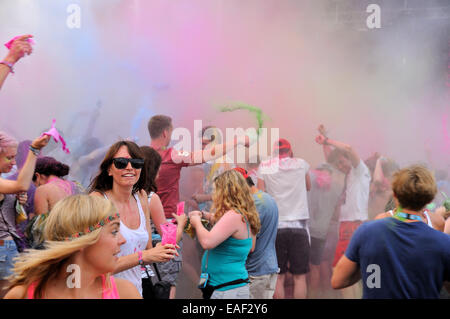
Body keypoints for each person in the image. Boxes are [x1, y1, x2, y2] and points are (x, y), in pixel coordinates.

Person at [147, 115, 250, 298]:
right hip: (168, 225)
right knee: (168, 280)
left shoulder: (139, 155)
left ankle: (200, 290)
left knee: (146, 277)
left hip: (142, 223)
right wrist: (238, 140)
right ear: (165, 132)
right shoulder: (172, 156)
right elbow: (202, 156)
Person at [331, 165, 450, 298]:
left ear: (394, 195)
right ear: (429, 200)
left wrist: (368, 261)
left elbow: (338, 280)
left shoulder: (367, 232)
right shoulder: (444, 241)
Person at [4, 195, 141, 299]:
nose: (122, 240)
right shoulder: (23, 295)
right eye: (114, 231)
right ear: (81, 240)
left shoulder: (125, 292)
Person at [89, 140, 178, 296]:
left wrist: (160, 252)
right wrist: (145, 256)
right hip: (105, 293)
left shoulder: (142, 197)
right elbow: (97, 265)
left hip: (136, 292)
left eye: (136, 163)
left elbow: (147, 249)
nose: (129, 167)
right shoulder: (97, 201)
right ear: (109, 169)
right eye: (121, 163)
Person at [315, 125, 371, 299]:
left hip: (353, 226)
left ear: (349, 159)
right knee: (351, 270)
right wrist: (324, 142)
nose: (340, 166)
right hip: (349, 226)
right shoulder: (349, 175)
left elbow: (347, 149)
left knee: (340, 269)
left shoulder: (359, 171)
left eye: (342, 161)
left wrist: (327, 140)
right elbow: (333, 158)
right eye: (338, 163)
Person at [188, 170, 261, 299]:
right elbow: (223, 225)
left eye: (216, 190)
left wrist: (197, 222)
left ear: (225, 192)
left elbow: (207, 242)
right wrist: (206, 215)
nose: (214, 195)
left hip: (226, 289)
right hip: (228, 285)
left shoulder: (233, 216)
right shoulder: (242, 214)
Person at [257, 138, 311, 299]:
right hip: (299, 227)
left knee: (278, 276)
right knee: (299, 276)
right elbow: (308, 186)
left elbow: (261, 196)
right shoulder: (301, 164)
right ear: (290, 151)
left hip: (276, 228)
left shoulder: (265, 167)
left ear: (274, 152)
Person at [233, 167, 279, 299]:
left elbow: (249, 244)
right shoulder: (267, 198)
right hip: (268, 267)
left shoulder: (255, 204)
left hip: (257, 272)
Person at [307, 163, 341, 298]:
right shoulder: (336, 188)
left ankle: (314, 295)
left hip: (312, 232)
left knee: (313, 267)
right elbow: (337, 215)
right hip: (329, 231)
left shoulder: (311, 188)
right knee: (327, 264)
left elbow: (311, 210)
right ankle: (328, 294)